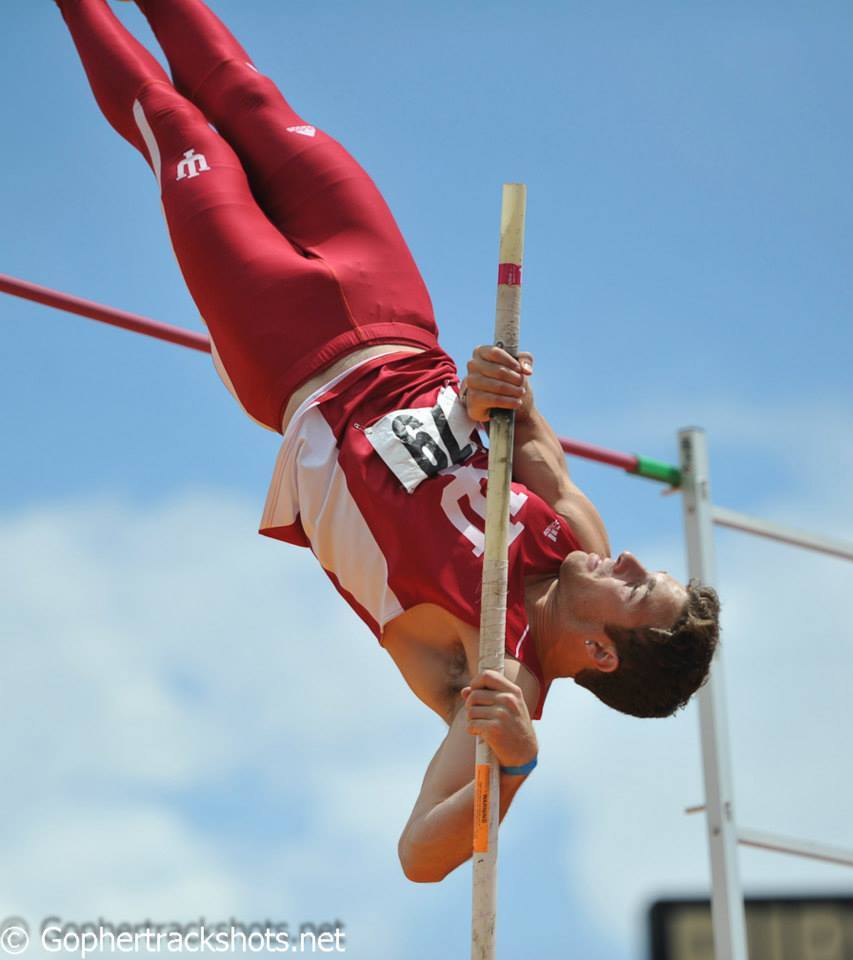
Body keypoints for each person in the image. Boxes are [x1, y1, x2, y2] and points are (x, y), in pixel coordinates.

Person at [56, 0, 720, 883]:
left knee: (179, 125)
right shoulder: (580, 545)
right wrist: (503, 389)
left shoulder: (496, 674)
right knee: (247, 95)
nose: (629, 558)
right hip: (393, 309)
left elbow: (419, 855)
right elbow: (526, 431)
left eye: (637, 589)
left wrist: (513, 767)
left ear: (602, 652)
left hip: (289, 354)